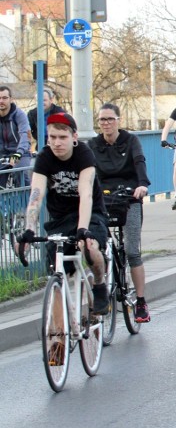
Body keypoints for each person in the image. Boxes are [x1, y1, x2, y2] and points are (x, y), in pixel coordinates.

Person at [17, 113, 111, 315]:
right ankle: (59, 327)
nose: (57, 143)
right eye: (52, 137)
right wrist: (29, 229)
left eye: (62, 137)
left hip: (90, 214)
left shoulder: (84, 155)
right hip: (60, 218)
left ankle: (100, 285)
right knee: (56, 267)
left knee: (89, 247)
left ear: (74, 137)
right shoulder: (44, 158)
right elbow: (36, 195)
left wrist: (83, 230)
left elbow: (86, 193)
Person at [89, 103, 152, 322]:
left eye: (110, 119)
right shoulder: (93, 145)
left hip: (129, 197)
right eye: (102, 120)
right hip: (103, 199)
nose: (106, 123)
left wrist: (142, 184)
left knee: (133, 251)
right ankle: (98, 297)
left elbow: (139, 162)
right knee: (95, 249)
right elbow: (88, 171)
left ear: (119, 120)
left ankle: (141, 302)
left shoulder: (131, 140)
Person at [0, 85, 32, 186]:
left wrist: (19, 153)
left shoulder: (19, 115)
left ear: (11, 99)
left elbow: (24, 134)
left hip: (20, 153)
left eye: (4, 98)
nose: (1, 101)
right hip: (2, 154)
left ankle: (27, 200)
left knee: (20, 173)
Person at [27, 86, 66, 152]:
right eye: (38, 100)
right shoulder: (32, 114)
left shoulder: (59, 112)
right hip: (40, 144)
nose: (41, 103)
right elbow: (28, 130)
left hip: (57, 143)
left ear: (51, 100)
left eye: (44, 100)